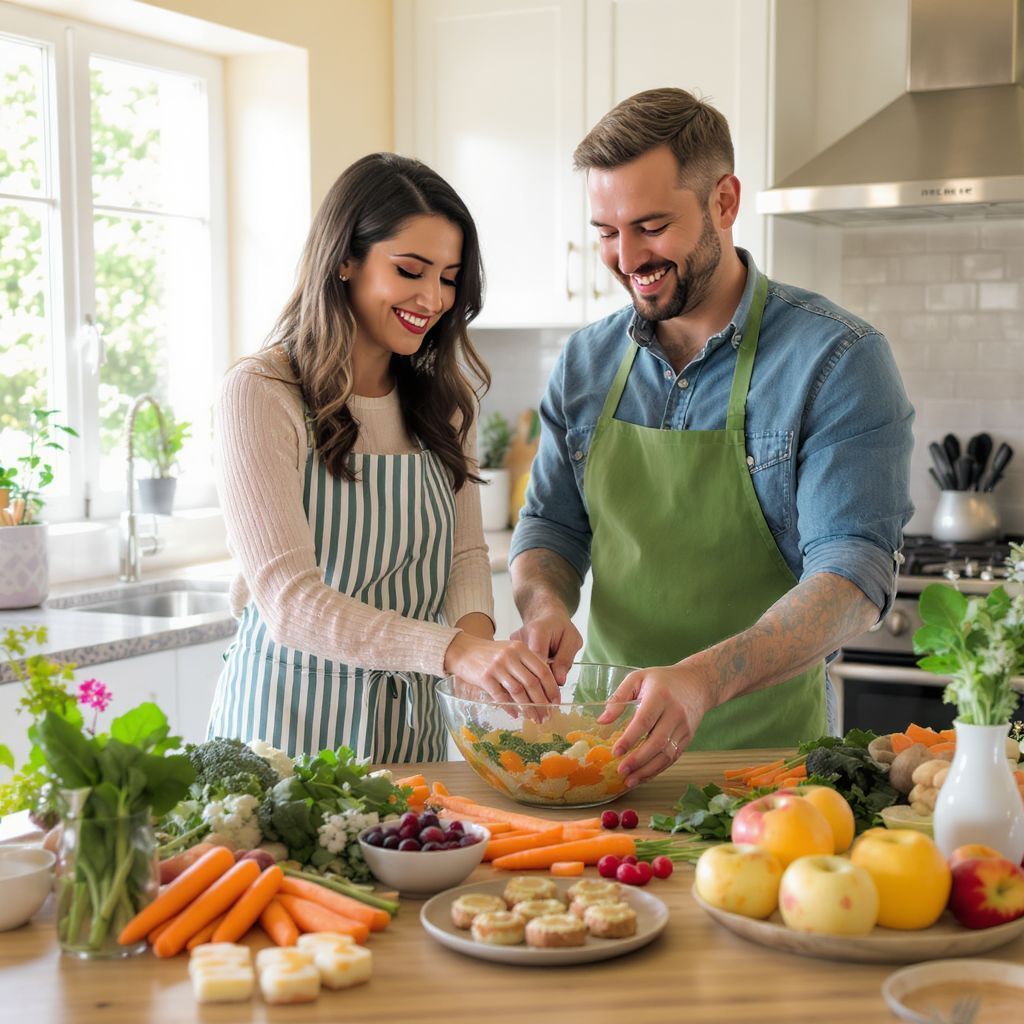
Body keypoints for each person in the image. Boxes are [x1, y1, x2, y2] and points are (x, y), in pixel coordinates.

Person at [510, 88, 914, 787]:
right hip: (602, 757)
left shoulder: (837, 359)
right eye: (606, 231)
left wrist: (703, 679)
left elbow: (852, 574)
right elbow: (550, 525)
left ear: (724, 202)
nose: (626, 257)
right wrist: (544, 605)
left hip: (768, 768)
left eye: (651, 226)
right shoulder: (586, 362)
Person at [209, 153, 558, 760]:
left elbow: (465, 556)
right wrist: (454, 651)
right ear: (345, 260)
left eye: (449, 277)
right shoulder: (262, 393)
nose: (433, 297)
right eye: (410, 270)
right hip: (283, 735)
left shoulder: (447, 403)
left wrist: (480, 667)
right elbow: (290, 604)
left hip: (408, 736)